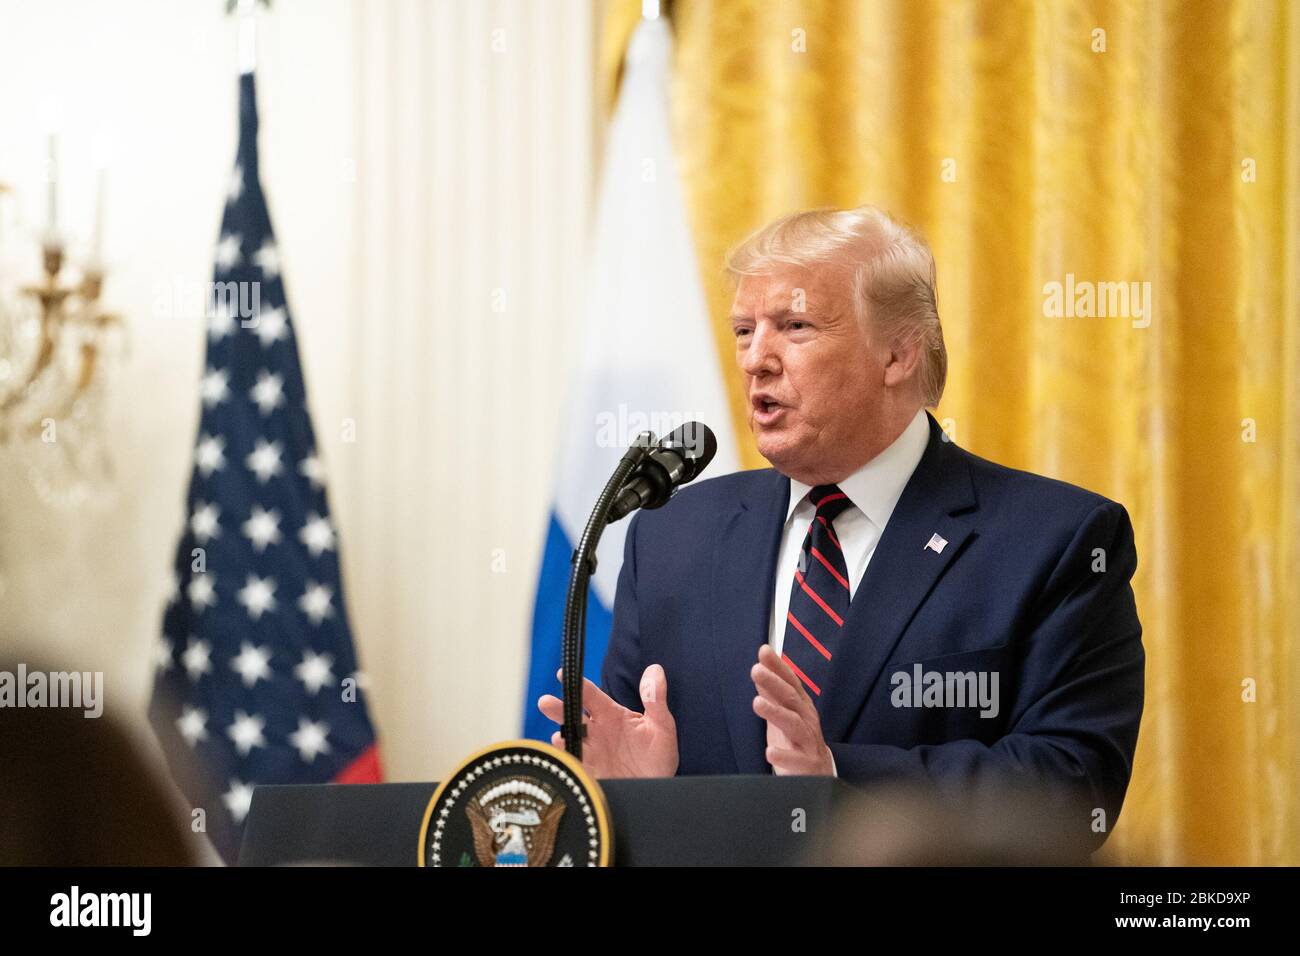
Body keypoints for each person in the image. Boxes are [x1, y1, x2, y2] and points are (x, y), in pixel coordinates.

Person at [537, 206, 1144, 845]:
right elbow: (636, 777)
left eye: (794, 326)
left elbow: (1075, 789)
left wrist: (835, 773)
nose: (754, 361)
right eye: (745, 331)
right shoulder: (671, 534)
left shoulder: (1057, 540)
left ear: (898, 355)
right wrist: (637, 798)